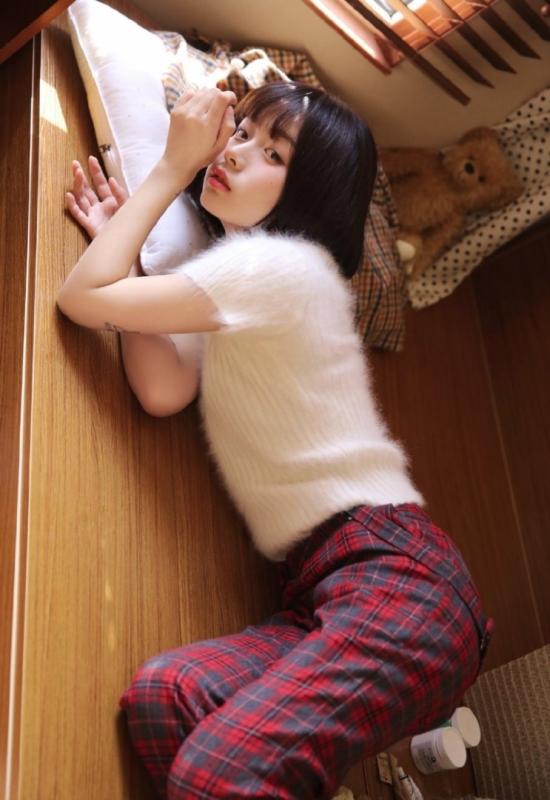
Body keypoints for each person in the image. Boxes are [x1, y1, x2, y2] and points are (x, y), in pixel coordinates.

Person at [59, 82, 493, 800]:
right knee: (166, 698)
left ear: (310, 192)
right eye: (242, 134)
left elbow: (80, 300)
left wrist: (172, 167)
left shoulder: (279, 270)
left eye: (274, 153)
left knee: (216, 773)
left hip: (397, 579)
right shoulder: (242, 278)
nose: (234, 153)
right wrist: (125, 251)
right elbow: (164, 389)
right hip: (327, 584)